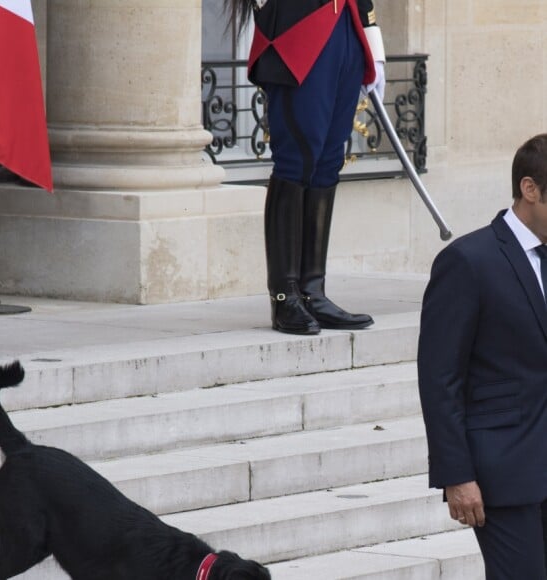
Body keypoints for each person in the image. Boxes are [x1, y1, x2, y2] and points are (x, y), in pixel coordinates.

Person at [417, 134, 547, 579]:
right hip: (503, 471)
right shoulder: (467, 261)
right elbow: (440, 378)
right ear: (530, 189)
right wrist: (457, 475)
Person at [225, 0, 386, 335]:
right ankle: (285, 296)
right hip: (296, 29)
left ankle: (313, 292)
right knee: (297, 159)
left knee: (328, 163)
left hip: (345, 25)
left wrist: (371, 39)